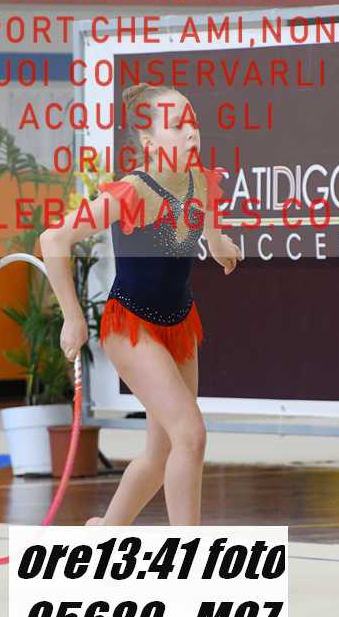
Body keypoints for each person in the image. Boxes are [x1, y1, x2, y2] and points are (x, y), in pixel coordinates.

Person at [39, 82, 242, 526]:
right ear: (149, 143)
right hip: (131, 327)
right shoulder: (131, 192)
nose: (191, 133)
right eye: (177, 125)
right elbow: (53, 239)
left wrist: (219, 244)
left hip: (179, 324)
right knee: (190, 434)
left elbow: (206, 224)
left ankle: (105, 532)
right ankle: (189, 553)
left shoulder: (201, 181)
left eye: (193, 123)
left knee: (161, 452)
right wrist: (72, 318)